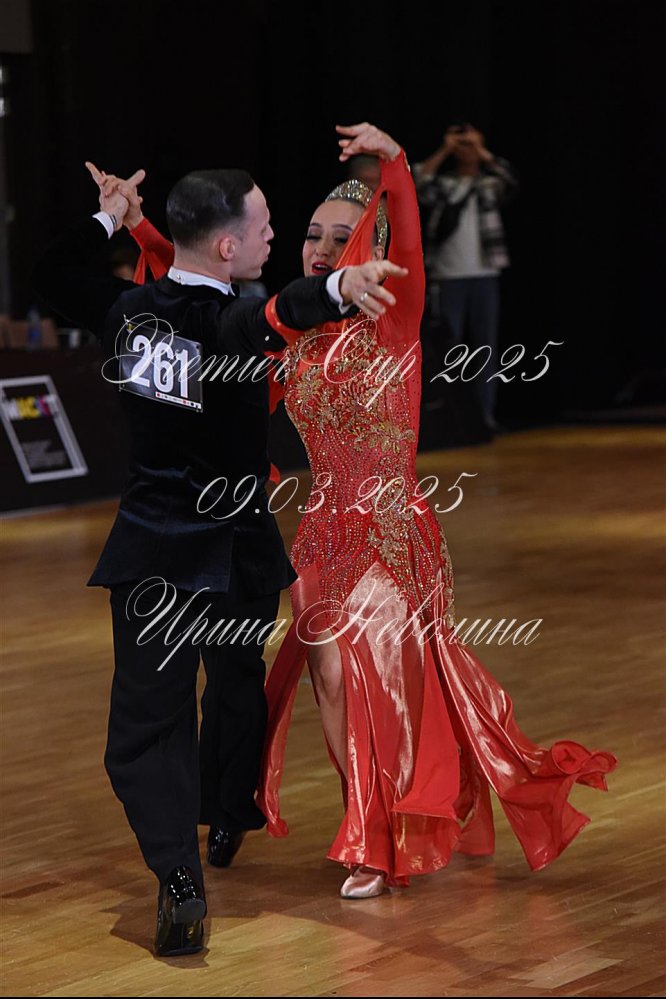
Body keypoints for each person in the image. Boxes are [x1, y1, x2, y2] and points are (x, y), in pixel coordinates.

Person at [116, 124, 616, 901]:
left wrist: (394, 164)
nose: (319, 249)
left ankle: (385, 836)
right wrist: (145, 230)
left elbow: (406, 239)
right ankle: (368, 824)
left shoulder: (393, 317)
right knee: (332, 680)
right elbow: (199, 306)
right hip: (321, 534)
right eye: (311, 234)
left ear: (369, 250)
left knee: (381, 684)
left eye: (339, 237)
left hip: (390, 530)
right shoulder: (288, 336)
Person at [33, 162, 405, 955]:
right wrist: (339, 288)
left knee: (149, 729)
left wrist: (109, 217)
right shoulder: (231, 321)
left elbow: (52, 274)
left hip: (153, 558)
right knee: (231, 690)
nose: (275, 234)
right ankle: (221, 822)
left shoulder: (128, 312)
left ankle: (180, 874)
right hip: (234, 557)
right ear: (229, 244)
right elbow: (282, 309)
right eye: (264, 224)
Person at [415, 123, 519, 432]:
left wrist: (480, 149)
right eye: (462, 145)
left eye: (471, 144)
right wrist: (446, 148)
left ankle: (484, 417)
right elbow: (418, 181)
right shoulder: (445, 184)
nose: (467, 150)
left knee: (486, 348)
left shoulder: (488, 184)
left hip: (485, 275)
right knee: (450, 350)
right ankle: (453, 420)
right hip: (449, 276)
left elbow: (511, 180)